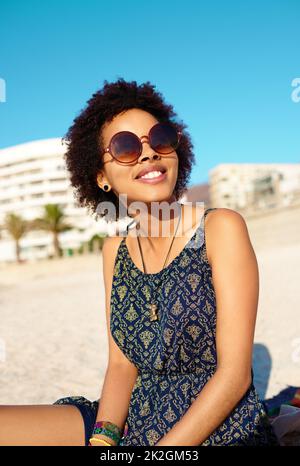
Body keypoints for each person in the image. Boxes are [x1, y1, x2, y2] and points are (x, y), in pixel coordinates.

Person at [0, 78, 279, 446]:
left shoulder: (220, 228)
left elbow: (235, 375)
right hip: (132, 417)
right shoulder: (114, 251)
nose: (148, 154)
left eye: (159, 138)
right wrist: (103, 442)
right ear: (101, 177)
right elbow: (120, 366)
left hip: (211, 427)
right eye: (125, 146)